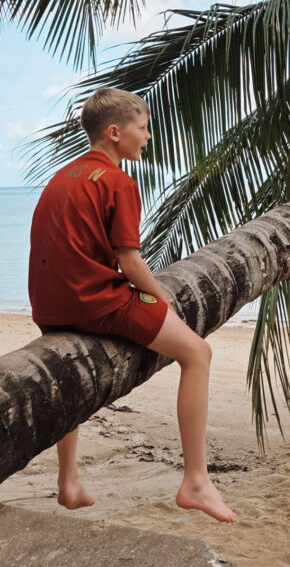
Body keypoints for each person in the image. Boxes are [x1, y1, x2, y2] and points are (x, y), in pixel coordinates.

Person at [28, 87, 237, 523]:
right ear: (114, 132)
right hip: (94, 301)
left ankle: (68, 481)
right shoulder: (119, 181)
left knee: (71, 378)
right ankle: (195, 481)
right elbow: (129, 260)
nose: (146, 137)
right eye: (142, 129)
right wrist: (164, 302)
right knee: (197, 353)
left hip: (50, 304)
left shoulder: (62, 176)